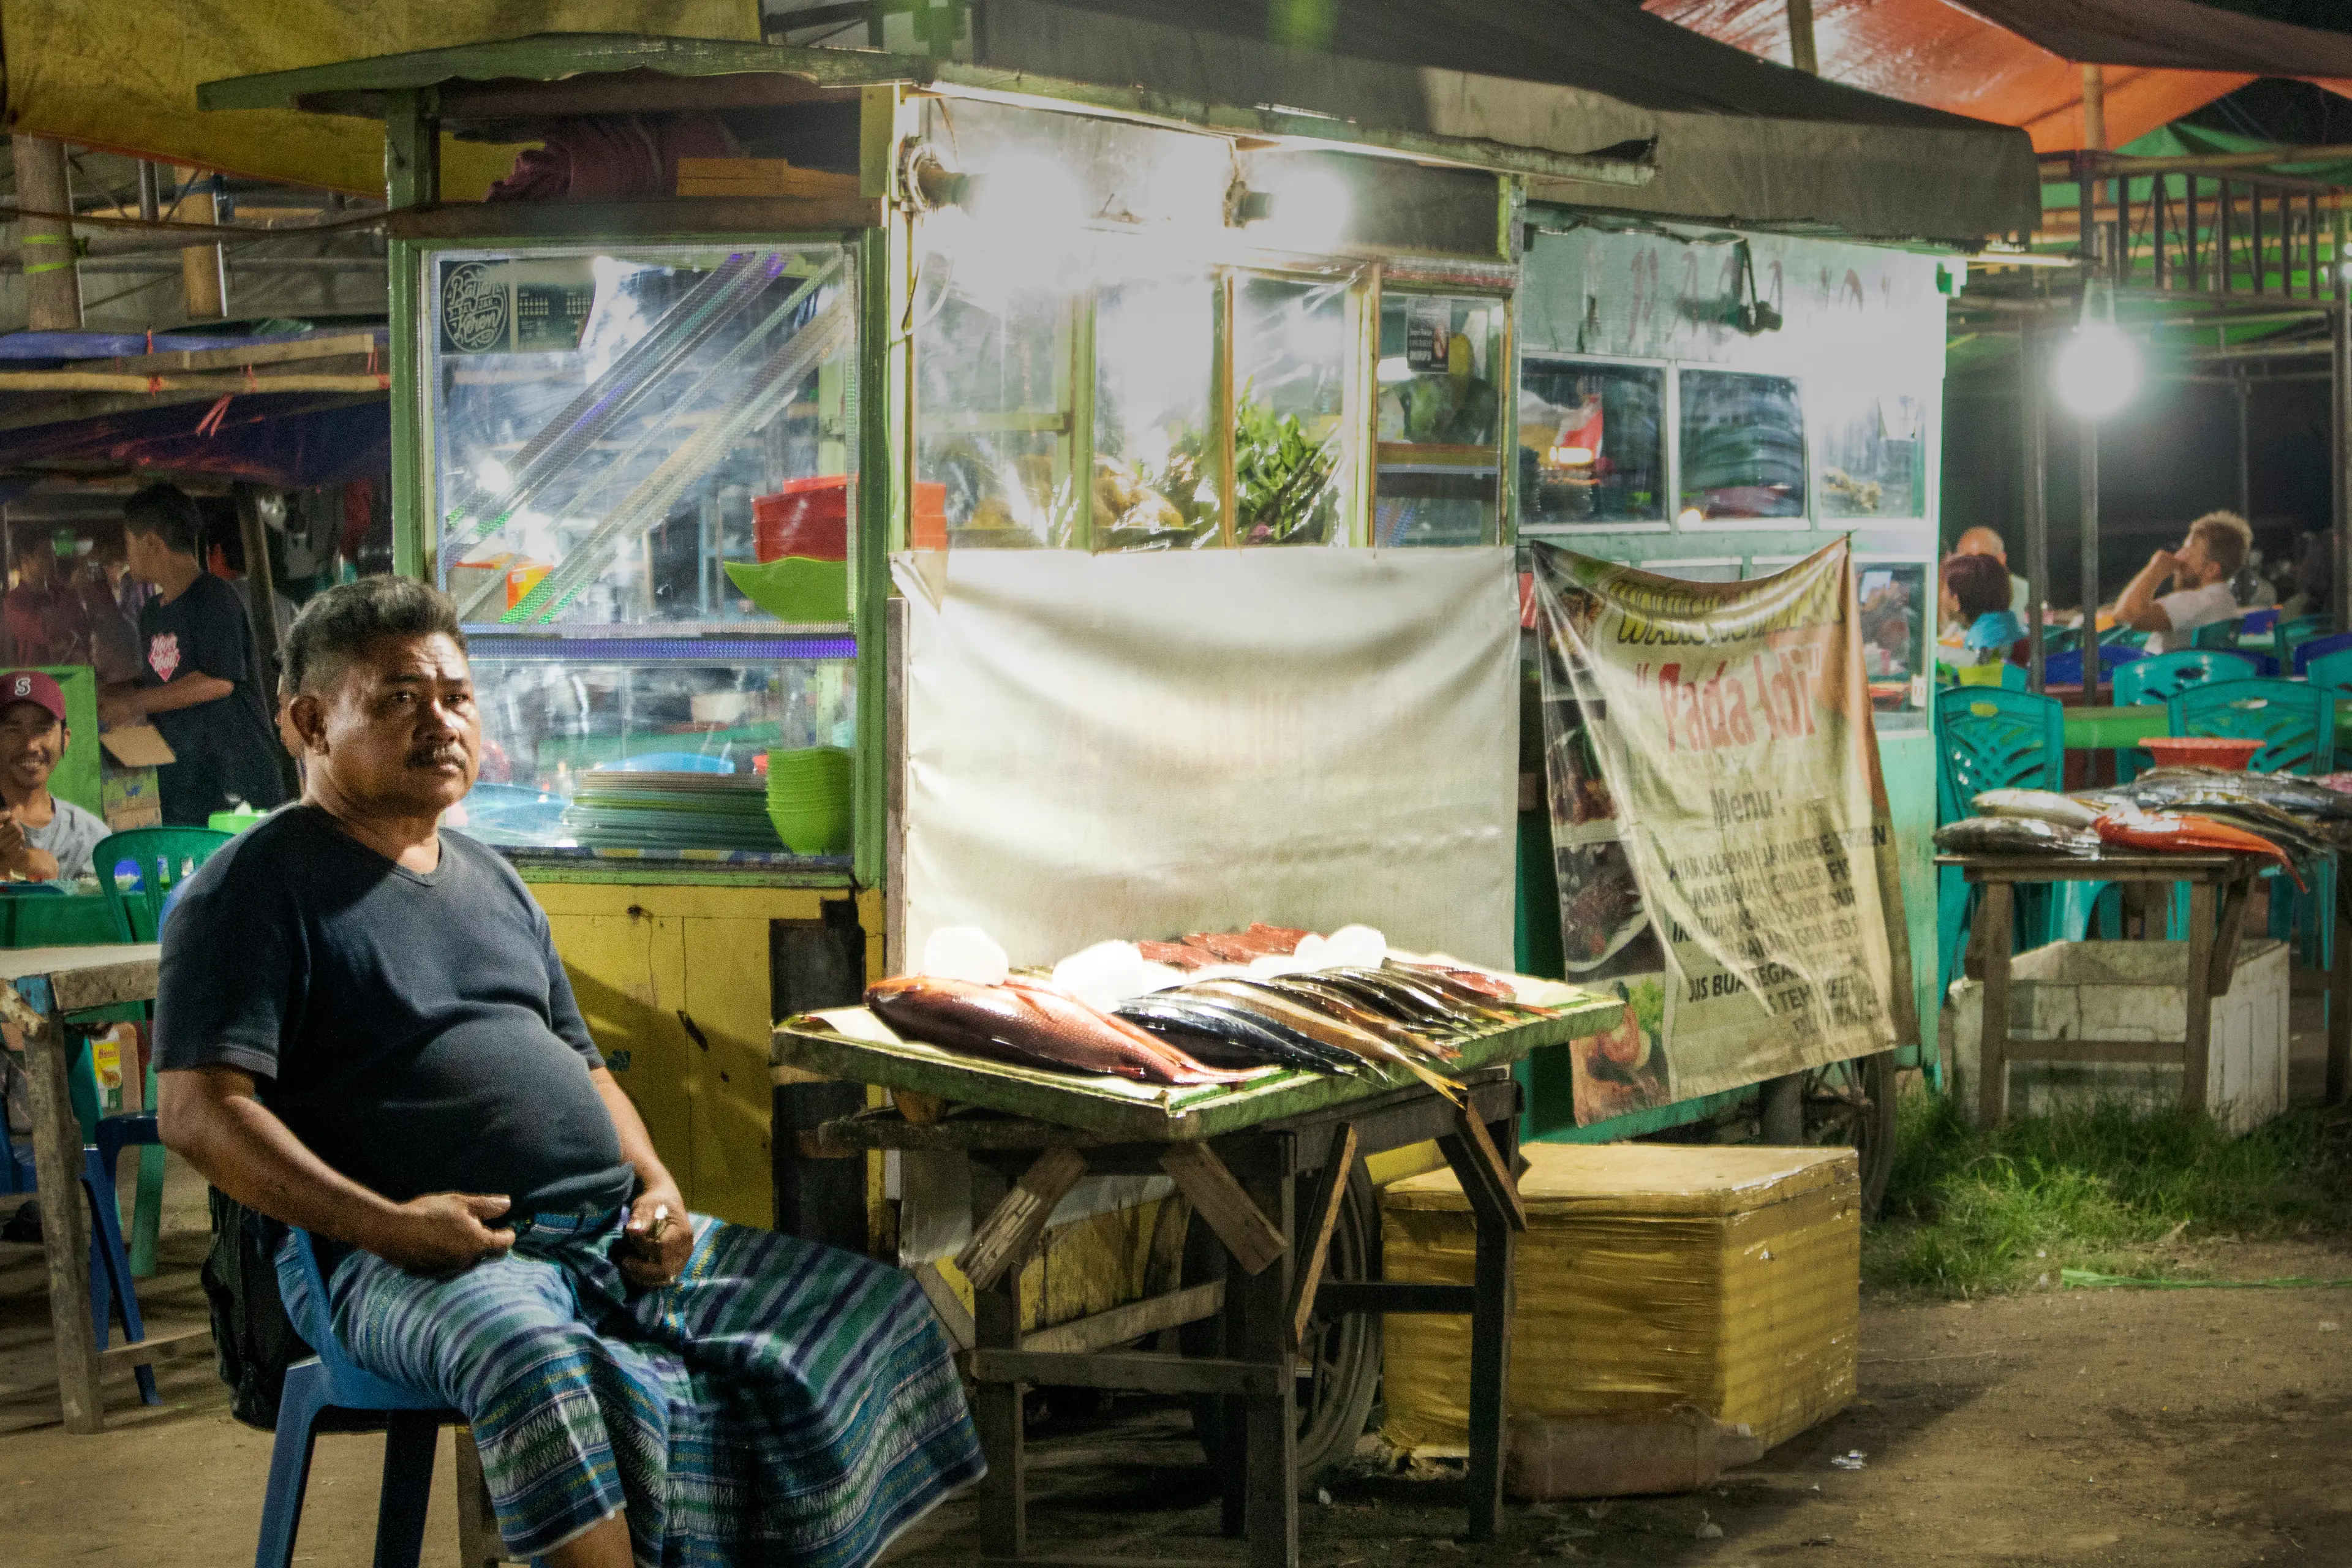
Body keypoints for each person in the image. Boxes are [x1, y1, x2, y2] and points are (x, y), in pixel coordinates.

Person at [155, 578, 981, 1568]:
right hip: (397, 1258)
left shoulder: (493, 879)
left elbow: (585, 1068)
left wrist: (661, 1190)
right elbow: (200, 1115)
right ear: (308, 723)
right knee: (531, 1360)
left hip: (601, 1236)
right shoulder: (251, 889)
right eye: (399, 699)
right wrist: (389, 1227)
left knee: (874, 1312)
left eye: (457, 697)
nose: (441, 721)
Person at [97, 483, 288, 826]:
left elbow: (217, 682)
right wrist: (118, 693)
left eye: (129, 543)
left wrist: (135, 702)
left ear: (152, 543)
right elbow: (168, 680)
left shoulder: (214, 598)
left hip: (233, 772)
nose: (127, 556)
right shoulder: (152, 613)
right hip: (182, 774)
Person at [0, 670, 107, 883]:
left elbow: (98, 914)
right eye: (13, 730)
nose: (30, 745)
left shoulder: (88, 837)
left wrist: (33, 870)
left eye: (42, 729)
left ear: (65, 740)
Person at [2112, 510, 2251, 655]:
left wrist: (2155, 569)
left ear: (2211, 569)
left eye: (2188, 553)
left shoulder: (2196, 602)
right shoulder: (2224, 600)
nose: (2178, 558)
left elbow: (2126, 616)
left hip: (2157, 674)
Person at [3, 532, 92, 668]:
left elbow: (85, 629)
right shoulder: (15, 602)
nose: (53, 560)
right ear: (25, 560)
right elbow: (48, 633)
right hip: (36, 683)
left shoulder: (58, 594)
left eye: (53, 554)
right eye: (45, 555)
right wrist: (72, 592)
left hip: (72, 677)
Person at [1938, 552, 2022, 669]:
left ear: (1956, 601)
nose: (1939, 596)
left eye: (1943, 589)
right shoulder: (2007, 626)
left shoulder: (1981, 641)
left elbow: (1976, 665)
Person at [1954, 526, 2030, 620]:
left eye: (1982, 560)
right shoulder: (1951, 593)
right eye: (1966, 560)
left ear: (2001, 559)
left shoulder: (2027, 593)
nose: (1973, 568)